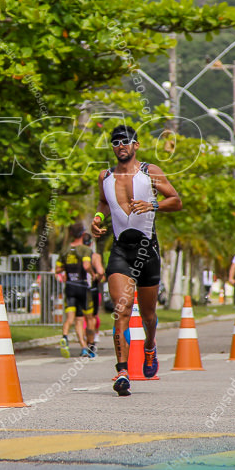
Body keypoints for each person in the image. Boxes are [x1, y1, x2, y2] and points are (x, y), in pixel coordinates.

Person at [91, 125, 182, 396]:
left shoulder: (149, 172)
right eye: (116, 142)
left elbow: (176, 201)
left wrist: (153, 205)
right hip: (121, 250)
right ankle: (122, 372)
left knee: (148, 315)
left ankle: (150, 346)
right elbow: (103, 203)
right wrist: (97, 220)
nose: (121, 146)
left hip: (147, 251)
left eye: (126, 141)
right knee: (121, 309)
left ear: (136, 145)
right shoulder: (105, 176)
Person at [55, 224, 98, 359]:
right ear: (82, 233)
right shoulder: (85, 250)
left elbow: (57, 269)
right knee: (90, 318)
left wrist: (65, 270)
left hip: (69, 286)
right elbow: (86, 265)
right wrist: (93, 273)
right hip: (82, 286)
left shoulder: (64, 250)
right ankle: (90, 347)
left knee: (73, 319)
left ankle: (67, 338)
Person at [83, 232, 105, 355]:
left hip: (78, 287)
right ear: (91, 243)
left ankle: (83, 345)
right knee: (92, 318)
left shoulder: (77, 253)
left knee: (80, 318)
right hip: (92, 289)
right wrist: (97, 276)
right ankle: (91, 345)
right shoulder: (95, 256)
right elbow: (101, 271)